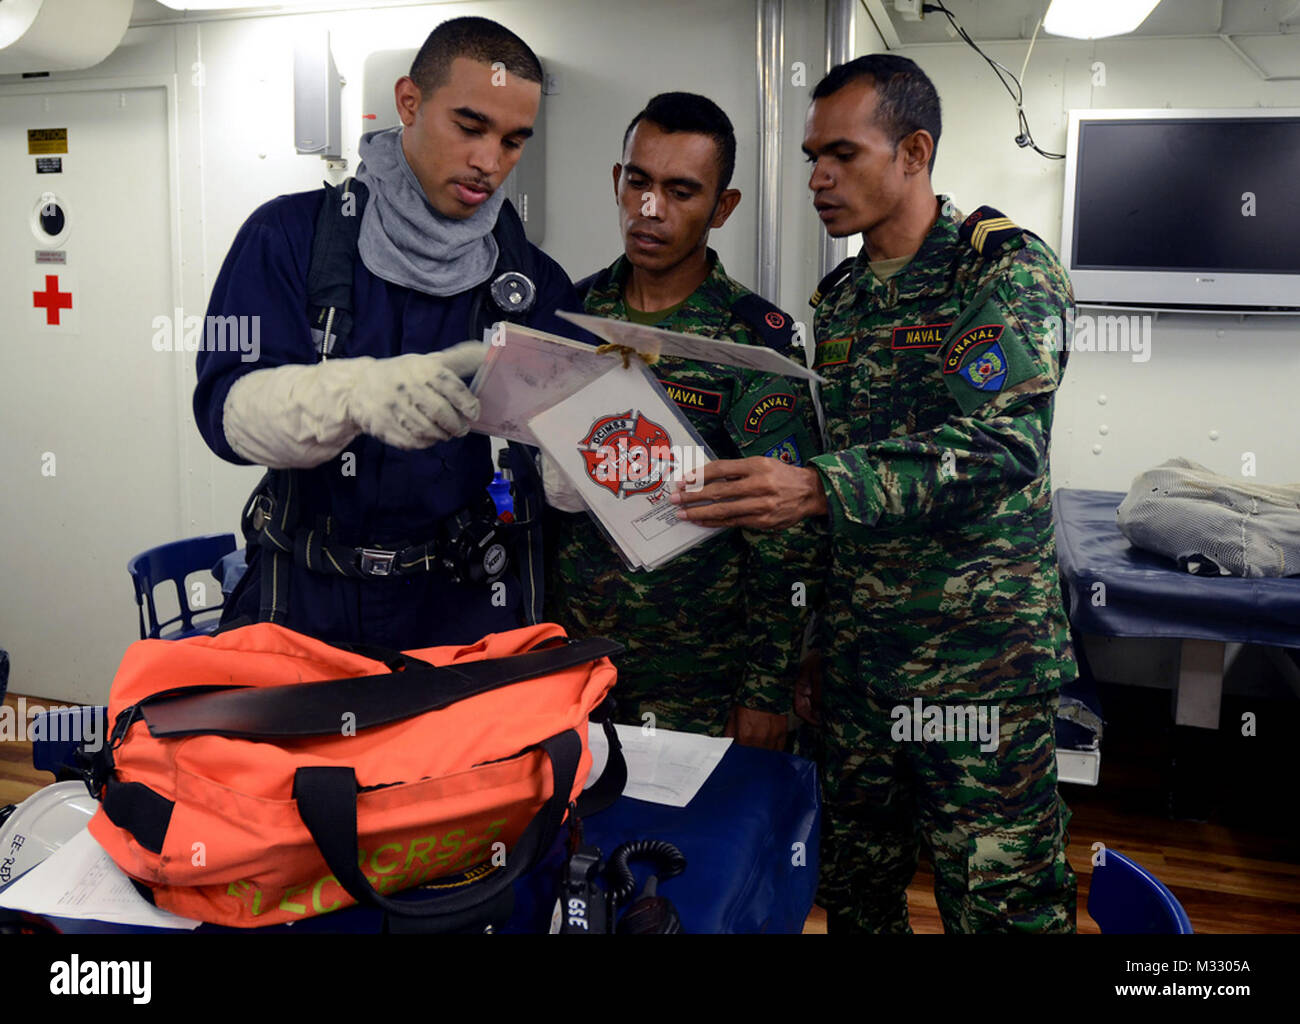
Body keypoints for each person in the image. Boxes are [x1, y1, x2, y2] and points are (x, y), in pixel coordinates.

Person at [670, 55, 1078, 931]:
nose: (818, 177)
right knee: (853, 891)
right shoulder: (845, 299)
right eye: (813, 154)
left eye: (842, 155)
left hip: (977, 673)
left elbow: (1003, 446)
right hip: (859, 670)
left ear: (914, 152)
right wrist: (816, 639)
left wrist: (817, 487)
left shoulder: (1000, 272)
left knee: (1000, 904)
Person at [194, 17, 582, 651]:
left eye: (514, 141)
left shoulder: (531, 282)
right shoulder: (289, 238)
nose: (490, 162)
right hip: (305, 602)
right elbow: (225, 416)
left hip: (458, 607)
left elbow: (562, 461)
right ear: (409, 102)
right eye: (470, 126)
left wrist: (591, 463)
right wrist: (350, 395)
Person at [543, 92, 825, 748]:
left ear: (722, 208)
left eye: (680, 191)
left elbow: (787, 540)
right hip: (574, 667)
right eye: (638, 182)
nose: (650, 209)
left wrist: (765, 690)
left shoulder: (754, 344)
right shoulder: (567, 317)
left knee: (691, 849)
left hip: (701, 681)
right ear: (617, 180)